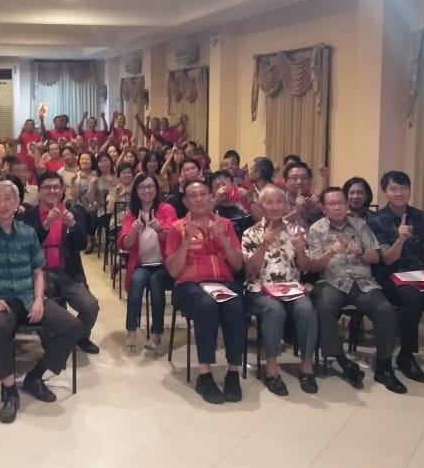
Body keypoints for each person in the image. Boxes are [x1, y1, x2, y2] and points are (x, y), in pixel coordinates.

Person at [0, 180, 83, 424]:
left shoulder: (28, 233)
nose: (2, 204)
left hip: (29, 296)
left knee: (72, 327)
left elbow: (38, 272)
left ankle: (35, 377)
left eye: (8, 199)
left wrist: (39, 299)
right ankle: (10, 391)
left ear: (17, 202)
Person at [298, 187, 407, 394]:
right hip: (331, 281)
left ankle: (384, 367)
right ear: (323, 208)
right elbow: (312, 266)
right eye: (331, 204)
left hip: (363, 282)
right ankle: (342, 361)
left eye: (340, 202)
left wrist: (360, 250)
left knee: (385, 310)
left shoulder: (361, 225)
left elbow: (376, 257)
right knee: (324, 306)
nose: (337, 207)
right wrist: (330, 253)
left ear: (347, 204)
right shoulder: (316, 229)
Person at [164, 180, 246, 404]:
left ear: (211, 198)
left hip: (222, 282)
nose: (199, 199)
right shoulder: (177, 228)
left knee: (235, 305)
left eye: (203, 194)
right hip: (189, 286)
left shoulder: (225, 225)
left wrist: (224, 240)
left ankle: (233, 372)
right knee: (206, 305)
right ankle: (205, 375)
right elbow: (173, 271)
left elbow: (237, 265)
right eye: (193, 195)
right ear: (185, 202)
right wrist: (186, 239)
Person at [367, 171, 424, 382]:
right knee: (413, 298)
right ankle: (406, 355)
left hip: (418, 274)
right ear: (385, 192)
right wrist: (400, 239)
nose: (399, 193)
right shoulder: (375, 221)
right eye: (393, 189)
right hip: (390, 277)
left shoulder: (421, 217)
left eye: (404, 188)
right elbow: (387, 260)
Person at [241, 185, 318, 395]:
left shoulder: (296, 231)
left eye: (279, 202)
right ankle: (271, 368)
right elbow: (250, 269)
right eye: (269, 202)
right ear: (261, 206)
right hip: (260, 287)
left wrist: (301, 250)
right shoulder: (251, 233)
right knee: (275, 311)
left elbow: (306, 267)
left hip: (291, 286)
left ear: (285, 205)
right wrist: (263, 246)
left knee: (306, 309)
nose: (275, 207)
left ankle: (306, 365)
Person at [22, 171, 102, 354]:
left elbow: (82, 244)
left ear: (62, 190)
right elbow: (26, 246)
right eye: (47, 187)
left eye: (56, 187)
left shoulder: (74, 212)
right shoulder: (29, 215)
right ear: (39, 191)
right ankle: (56, 340)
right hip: (39, 275)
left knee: (90, 306)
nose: (52, 191)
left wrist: (73, 226)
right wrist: (45, 225)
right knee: (52, 316)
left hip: (67, 272)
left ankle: (80, 337)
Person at [118, 173, 177, 353]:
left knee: (156, 283)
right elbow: (125, 244)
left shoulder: (166, 209)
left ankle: (156, 333)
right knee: (136, 282)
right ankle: (131, 330)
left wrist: (160, 229)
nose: (147, 190)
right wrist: (133, 231)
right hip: (142, 265)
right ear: (136, 191)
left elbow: (173, 238)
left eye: (150, 186)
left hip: (163, 265)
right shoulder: (131, 214)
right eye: (142, 187)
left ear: (156, 189)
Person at [211, 169, 253, 238]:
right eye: (217, 187)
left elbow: (260, 220)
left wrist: (249, 199)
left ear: (233, 184)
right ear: (212, 191)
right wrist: (217, 200)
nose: (222, 189)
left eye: (224, 184)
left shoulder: (244, 199)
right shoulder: (211, 207)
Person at [283, 161, 322, 228]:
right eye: (294, 178)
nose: (299, 182)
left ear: (310, 181)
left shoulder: (316, 201)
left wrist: (315, 212)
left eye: (303, 178)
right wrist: (296, 211)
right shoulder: (278, 201)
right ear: (285, 182)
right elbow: (273, 225)